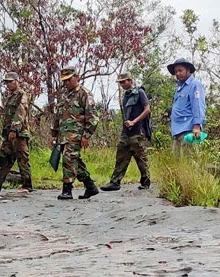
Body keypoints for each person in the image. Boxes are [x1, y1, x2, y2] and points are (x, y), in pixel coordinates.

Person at [51, 66, 99, 200]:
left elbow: (93, 117)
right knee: (74, 160)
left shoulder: (84, 94)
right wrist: (54, 134)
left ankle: (67, 190)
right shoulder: (64, 95)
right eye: (64, 81)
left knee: (68, 159)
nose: (66, 83)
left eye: (68, 80)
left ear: (76, 78)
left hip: (76, 135)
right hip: (63, 135)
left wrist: (87, 135)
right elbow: (58, 116)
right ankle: (90, 186)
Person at [0, 72, 33, 195]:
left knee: (22, 158)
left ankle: (27, 185)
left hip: (19, 133)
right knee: (3, 159)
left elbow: (21, 112)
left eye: (11, 81)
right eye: (7, 82)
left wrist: (14, 129)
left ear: (17, 81)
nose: (8, 84)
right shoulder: (10, 96)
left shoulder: (22, 95)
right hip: (8, 133)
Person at [101, 73, 152, 191]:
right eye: (120, 82)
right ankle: (115, 182)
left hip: (138, 131)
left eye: (124, 82)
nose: (122, 84)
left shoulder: (140, 92)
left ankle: (145, 181)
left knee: (141, 157)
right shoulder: (126, 96)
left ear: (130, 80)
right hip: (126, 131)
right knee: (121, 155)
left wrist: (134, 121)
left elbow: (147, 109)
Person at [167, 58, 206, 154]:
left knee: (189, 162)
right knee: (177, 164)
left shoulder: (195, 85)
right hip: (177, 130)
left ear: (188, 70)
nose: (177, 73)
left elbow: (198, 105)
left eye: (180, 70)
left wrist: (197, 126)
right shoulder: (180, 87)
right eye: (176, 71)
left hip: (188, 129)